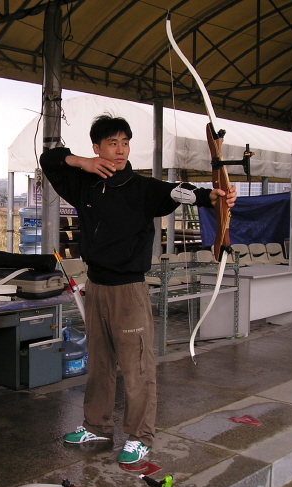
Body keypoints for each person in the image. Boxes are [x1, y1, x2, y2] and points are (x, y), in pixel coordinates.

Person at [39, 114, 236, 465]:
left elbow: (180, 192)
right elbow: (49, 160)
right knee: (99, 363)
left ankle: (140, 436)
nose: (120, 150)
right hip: (96, 286)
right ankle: (96, 426)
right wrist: (81, 162)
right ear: (97, 148)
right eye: (112, 143)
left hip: (128, 290)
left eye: (125, 143)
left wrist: (214, 196)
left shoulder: (144, 188)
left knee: (137, 367)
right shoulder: (84, 183)